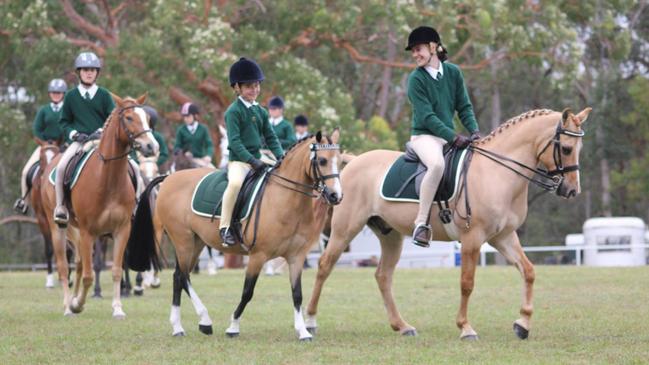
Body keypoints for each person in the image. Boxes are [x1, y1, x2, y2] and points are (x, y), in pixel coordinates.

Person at [405, 26, 481, 248]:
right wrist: (453, 136)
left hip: (447, 137)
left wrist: (474, 131)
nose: (415, 55)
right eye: (413, 51)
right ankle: (421, 224)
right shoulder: (415, 79)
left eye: (418, 49)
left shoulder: (454, 73)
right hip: (424, 137)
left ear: (433, 47)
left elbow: (464, 107)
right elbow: (427, 117)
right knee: (437, 165)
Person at [220, 57, 284, 246]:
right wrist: (251, 161)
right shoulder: (233, 112)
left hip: (258, 158)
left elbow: (271, 137)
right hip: (239, 161)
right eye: (249, 86)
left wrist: (281, 156)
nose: (255, 90)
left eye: (257, 85)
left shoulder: (262, 111)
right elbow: (235, 142)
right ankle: (224, 228)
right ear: (237, 88)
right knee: (235, 184)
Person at [53, 52, 116, 226]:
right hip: (79, 142)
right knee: (60, 168)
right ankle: (61, 207)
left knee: (131, 166)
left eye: (93, 70)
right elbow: (64, 122)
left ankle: (134, 206)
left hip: (101, 141)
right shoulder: (71, 96)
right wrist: (73, 134)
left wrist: (101, 130)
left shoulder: (104, 95)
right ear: (79, 72)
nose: (89, 73)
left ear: (97, 73)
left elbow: (112, 118)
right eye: (85, 70)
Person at [14, 79, 67, 214]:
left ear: (63, 94)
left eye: (59, 93)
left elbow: (69, 126)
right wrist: (44, 143)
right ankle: (23, 201)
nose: (56, 95)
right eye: (54, 93)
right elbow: (37, 128)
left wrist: (64, 142)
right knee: (26, 171)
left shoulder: (67, 109)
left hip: (63, 146)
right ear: (50, 94)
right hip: (45, 146)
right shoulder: (44, 110)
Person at [173, 102, 215, 168]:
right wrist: (184, 153)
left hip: (200, 159)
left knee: (213, 171)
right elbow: (177, 147)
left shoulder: (203, 129)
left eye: (188, 116)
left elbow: (209, 145)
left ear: (195, 116)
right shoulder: (181, 130)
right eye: (184, 116)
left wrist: (208, 156)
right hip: (184, 160)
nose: (185, 119)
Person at [129, 105, 169, 170]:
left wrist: (155, 163)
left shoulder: (158, 137)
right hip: (139, 167)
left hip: (155, 167)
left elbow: (164, 153)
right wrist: (138, 163)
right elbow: (131, 152)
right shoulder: (136, 137)